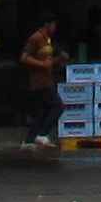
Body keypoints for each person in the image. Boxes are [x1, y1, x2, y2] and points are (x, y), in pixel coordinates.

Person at [18, 19, 62, 147]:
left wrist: (59, 59)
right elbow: (24, 57)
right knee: (58, 106)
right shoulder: (36, 38)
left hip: (47, 78)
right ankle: (42, 134)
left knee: (42, 110)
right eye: (53, 24)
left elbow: (47, 60)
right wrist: (40, 64)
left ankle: (29, 141)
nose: (54, 27)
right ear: (47, 24)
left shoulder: (47, 40)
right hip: (40, 81)